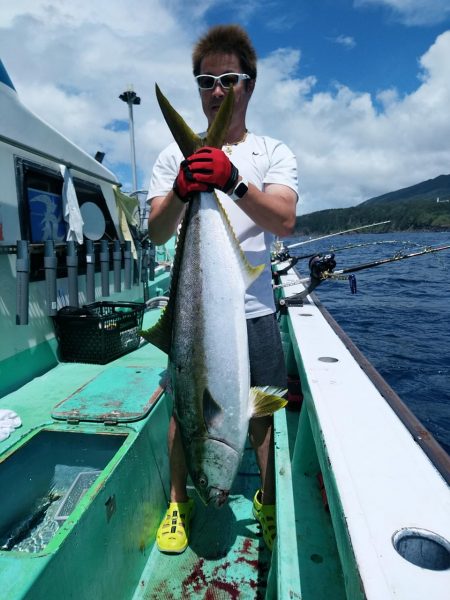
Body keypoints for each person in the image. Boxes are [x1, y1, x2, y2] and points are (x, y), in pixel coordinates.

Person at [147, 24, 298, 554]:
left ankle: (268, 503)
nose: (215, 90)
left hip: (252, 310)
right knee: (184, 412)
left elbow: (283, 220)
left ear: (248, 85)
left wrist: (232, 181)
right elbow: (157, 230)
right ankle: (178, 502)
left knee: (263, 415)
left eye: (227, 79)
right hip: (192, 317)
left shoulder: (271, 151)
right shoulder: (174, 159)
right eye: (205, 81)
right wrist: (183, 190)